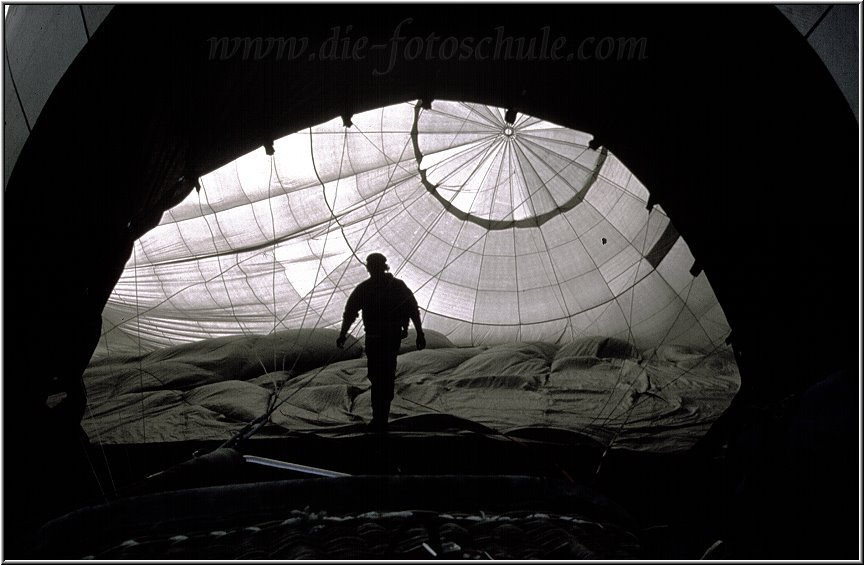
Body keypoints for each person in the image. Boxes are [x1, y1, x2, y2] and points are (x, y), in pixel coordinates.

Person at [337, 253, 425, 431]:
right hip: (384, 339)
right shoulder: (390, 287)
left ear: (371, 267)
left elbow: (351, 312)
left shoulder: (369, 288)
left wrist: (343, 334)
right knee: (382, 377)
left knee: (379, 378)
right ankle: (380, 416)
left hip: (381, 339)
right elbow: (413, 309)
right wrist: (419, 333)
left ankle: (379, 417)